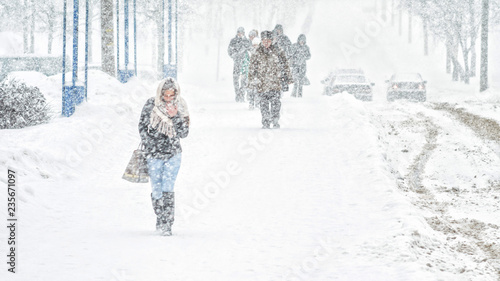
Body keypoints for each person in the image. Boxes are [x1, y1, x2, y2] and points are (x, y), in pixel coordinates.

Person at [138, 77, 190, 236]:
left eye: (171, 95)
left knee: (168, 187)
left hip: (173, 153)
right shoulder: (150, 104)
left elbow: (184, 133)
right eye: (165, 95)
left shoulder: (181, 106)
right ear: (160, 93)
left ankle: (167, 223)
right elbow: (142, 125)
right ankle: (160, 217)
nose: (168, 98)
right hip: (154, 153)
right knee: (156, 189)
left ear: (176, 94)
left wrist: (175, 117)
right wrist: (149, 142)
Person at [248, 30, 292, 129]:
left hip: (275, 83)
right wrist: (252, 80)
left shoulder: (278, 51)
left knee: (276, 103)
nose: (266, 42)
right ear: (261, 41)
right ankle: (265, 121)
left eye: (268, 40)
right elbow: (252, 68)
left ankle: (275, 120)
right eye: (264, 40)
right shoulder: (257, 52)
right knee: (263, 104)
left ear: (272, 41)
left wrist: (288, 77)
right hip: (262, 84)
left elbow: (285, 65)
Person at [228, 27, 251, 102]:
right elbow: (230, 51)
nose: (241, 34)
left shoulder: (247, 41)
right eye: (239, 32)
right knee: (236, 79)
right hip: (237, 63)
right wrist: (235, 56)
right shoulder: (233, 41)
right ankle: (237, 94)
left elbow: (251, 50)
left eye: (242, 32)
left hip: (245, 64)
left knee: (244, 80)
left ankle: (242, 94)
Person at [272, 24, 293, 92]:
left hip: (282, 58)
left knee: (283, 74)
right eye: (277, 30)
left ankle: (282, 88)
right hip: (273, 58)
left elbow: (290, 48)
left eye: (279, 30)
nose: (278, 31)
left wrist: (288, 55)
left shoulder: (285, 38)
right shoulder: (272, 37)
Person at [247, 29, 260, 110]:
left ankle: (257, 103)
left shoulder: (261, 52)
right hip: (251, 73)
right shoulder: (250, 51)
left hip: (258, 73)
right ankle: (251, 103)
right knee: (251, 89)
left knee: (257, 89)